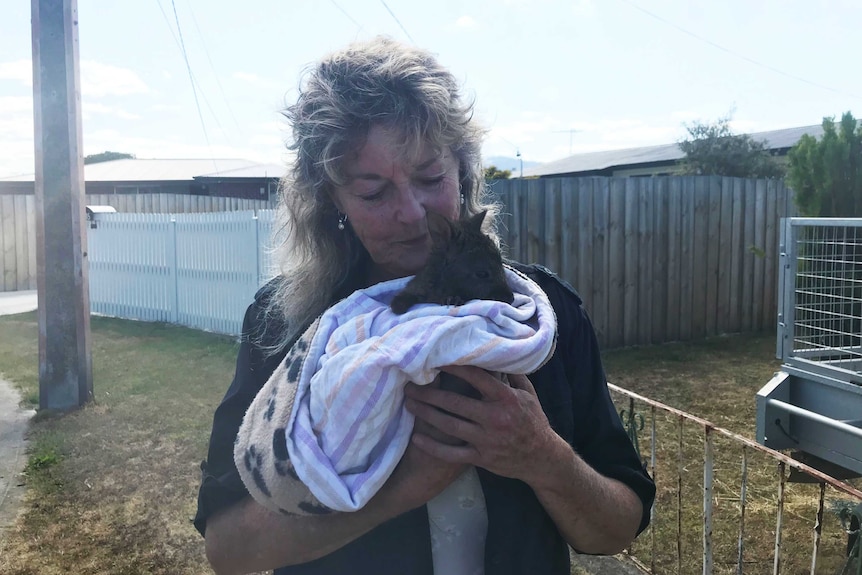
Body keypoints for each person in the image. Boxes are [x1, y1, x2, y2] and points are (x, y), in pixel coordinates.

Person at [194, 36, 655, 575]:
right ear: (332, 204)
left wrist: (543, 457)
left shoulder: (539, 316)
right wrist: (401, 484)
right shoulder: (290, 326)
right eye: (373, 192)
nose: (412, 214)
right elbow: (229, 550)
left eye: (431, 178)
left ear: (463, 174)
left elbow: (619, 527)